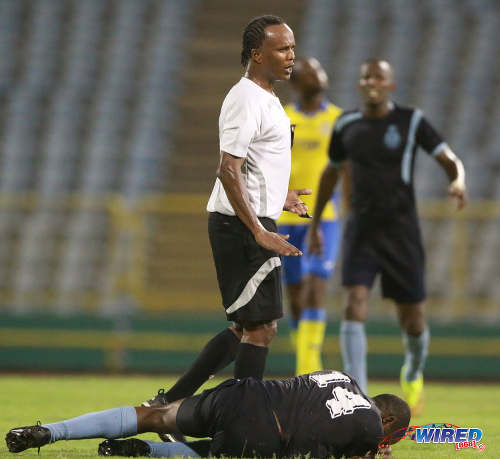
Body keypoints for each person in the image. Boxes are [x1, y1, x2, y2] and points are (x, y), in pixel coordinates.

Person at [142, 15, 310, 411]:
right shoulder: (246, 98)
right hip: (241, 224)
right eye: (282, 49)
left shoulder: (266, 96)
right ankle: (241, 417)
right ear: (257, 54)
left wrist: (278, 196)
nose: (291, 56)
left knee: (247, 326)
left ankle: (170, 403)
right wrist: (258, 230)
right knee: (262, 329)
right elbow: (227, 168)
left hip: (250, 217)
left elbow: (251, 165)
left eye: (292, 48)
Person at [308, 59, 467, 415]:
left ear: (391, 85)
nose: (370, 82)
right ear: (360, 84)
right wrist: (316, 221)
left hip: (401, 233)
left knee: (412, 320)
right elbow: (331, 174)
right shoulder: (346, 124)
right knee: (354, 304)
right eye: (365, 76)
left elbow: (449, 159)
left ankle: (412, 371)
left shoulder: (410, 122)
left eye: (378, 76)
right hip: (361, 230)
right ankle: (360, 397)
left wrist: (458, 180)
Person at [6, 370, 410, 458]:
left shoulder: (342, 377)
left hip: (244, 393)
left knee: (153, 415)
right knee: (211, 456)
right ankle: (148, 453)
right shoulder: (371, 428)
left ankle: (49, 432)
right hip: (266, 433)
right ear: (387, 422)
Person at [277, 57, 343, 375]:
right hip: (288, 216)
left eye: (320, 69)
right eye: (309, 73)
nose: (318, 76)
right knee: (294, 292)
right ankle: (304, 358)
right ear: (296, 82)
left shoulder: (338, 119)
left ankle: (308, 367)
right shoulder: (284, 118)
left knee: (317, 283)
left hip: (326, 216)